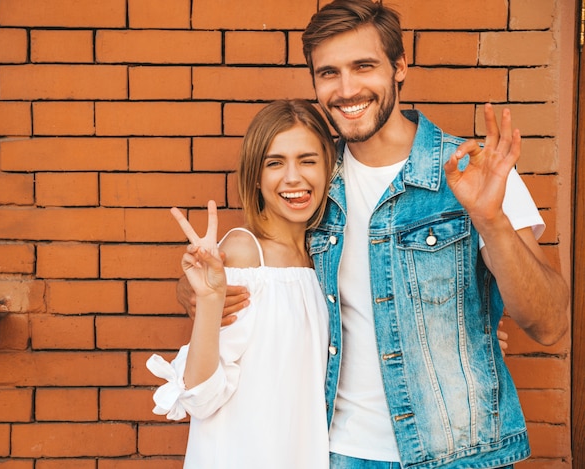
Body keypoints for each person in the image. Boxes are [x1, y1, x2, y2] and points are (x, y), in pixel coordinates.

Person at [179, 1, 570, 468]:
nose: (347, 89)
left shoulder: (475, 173)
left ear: (399, 68)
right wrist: (197, 294)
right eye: (329, 73)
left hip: (458, 456)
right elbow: (255, 267)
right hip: (337, 453)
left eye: (363, 66)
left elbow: (550, 324)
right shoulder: (312, 182)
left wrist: (491, 221)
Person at [146, 99, 336, 468]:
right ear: (255, 176)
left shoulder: (324, 258)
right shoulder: (243, 253)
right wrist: (210, 299)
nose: (293, 177)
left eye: (308, 160)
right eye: (275, 162)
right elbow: (202, 394)